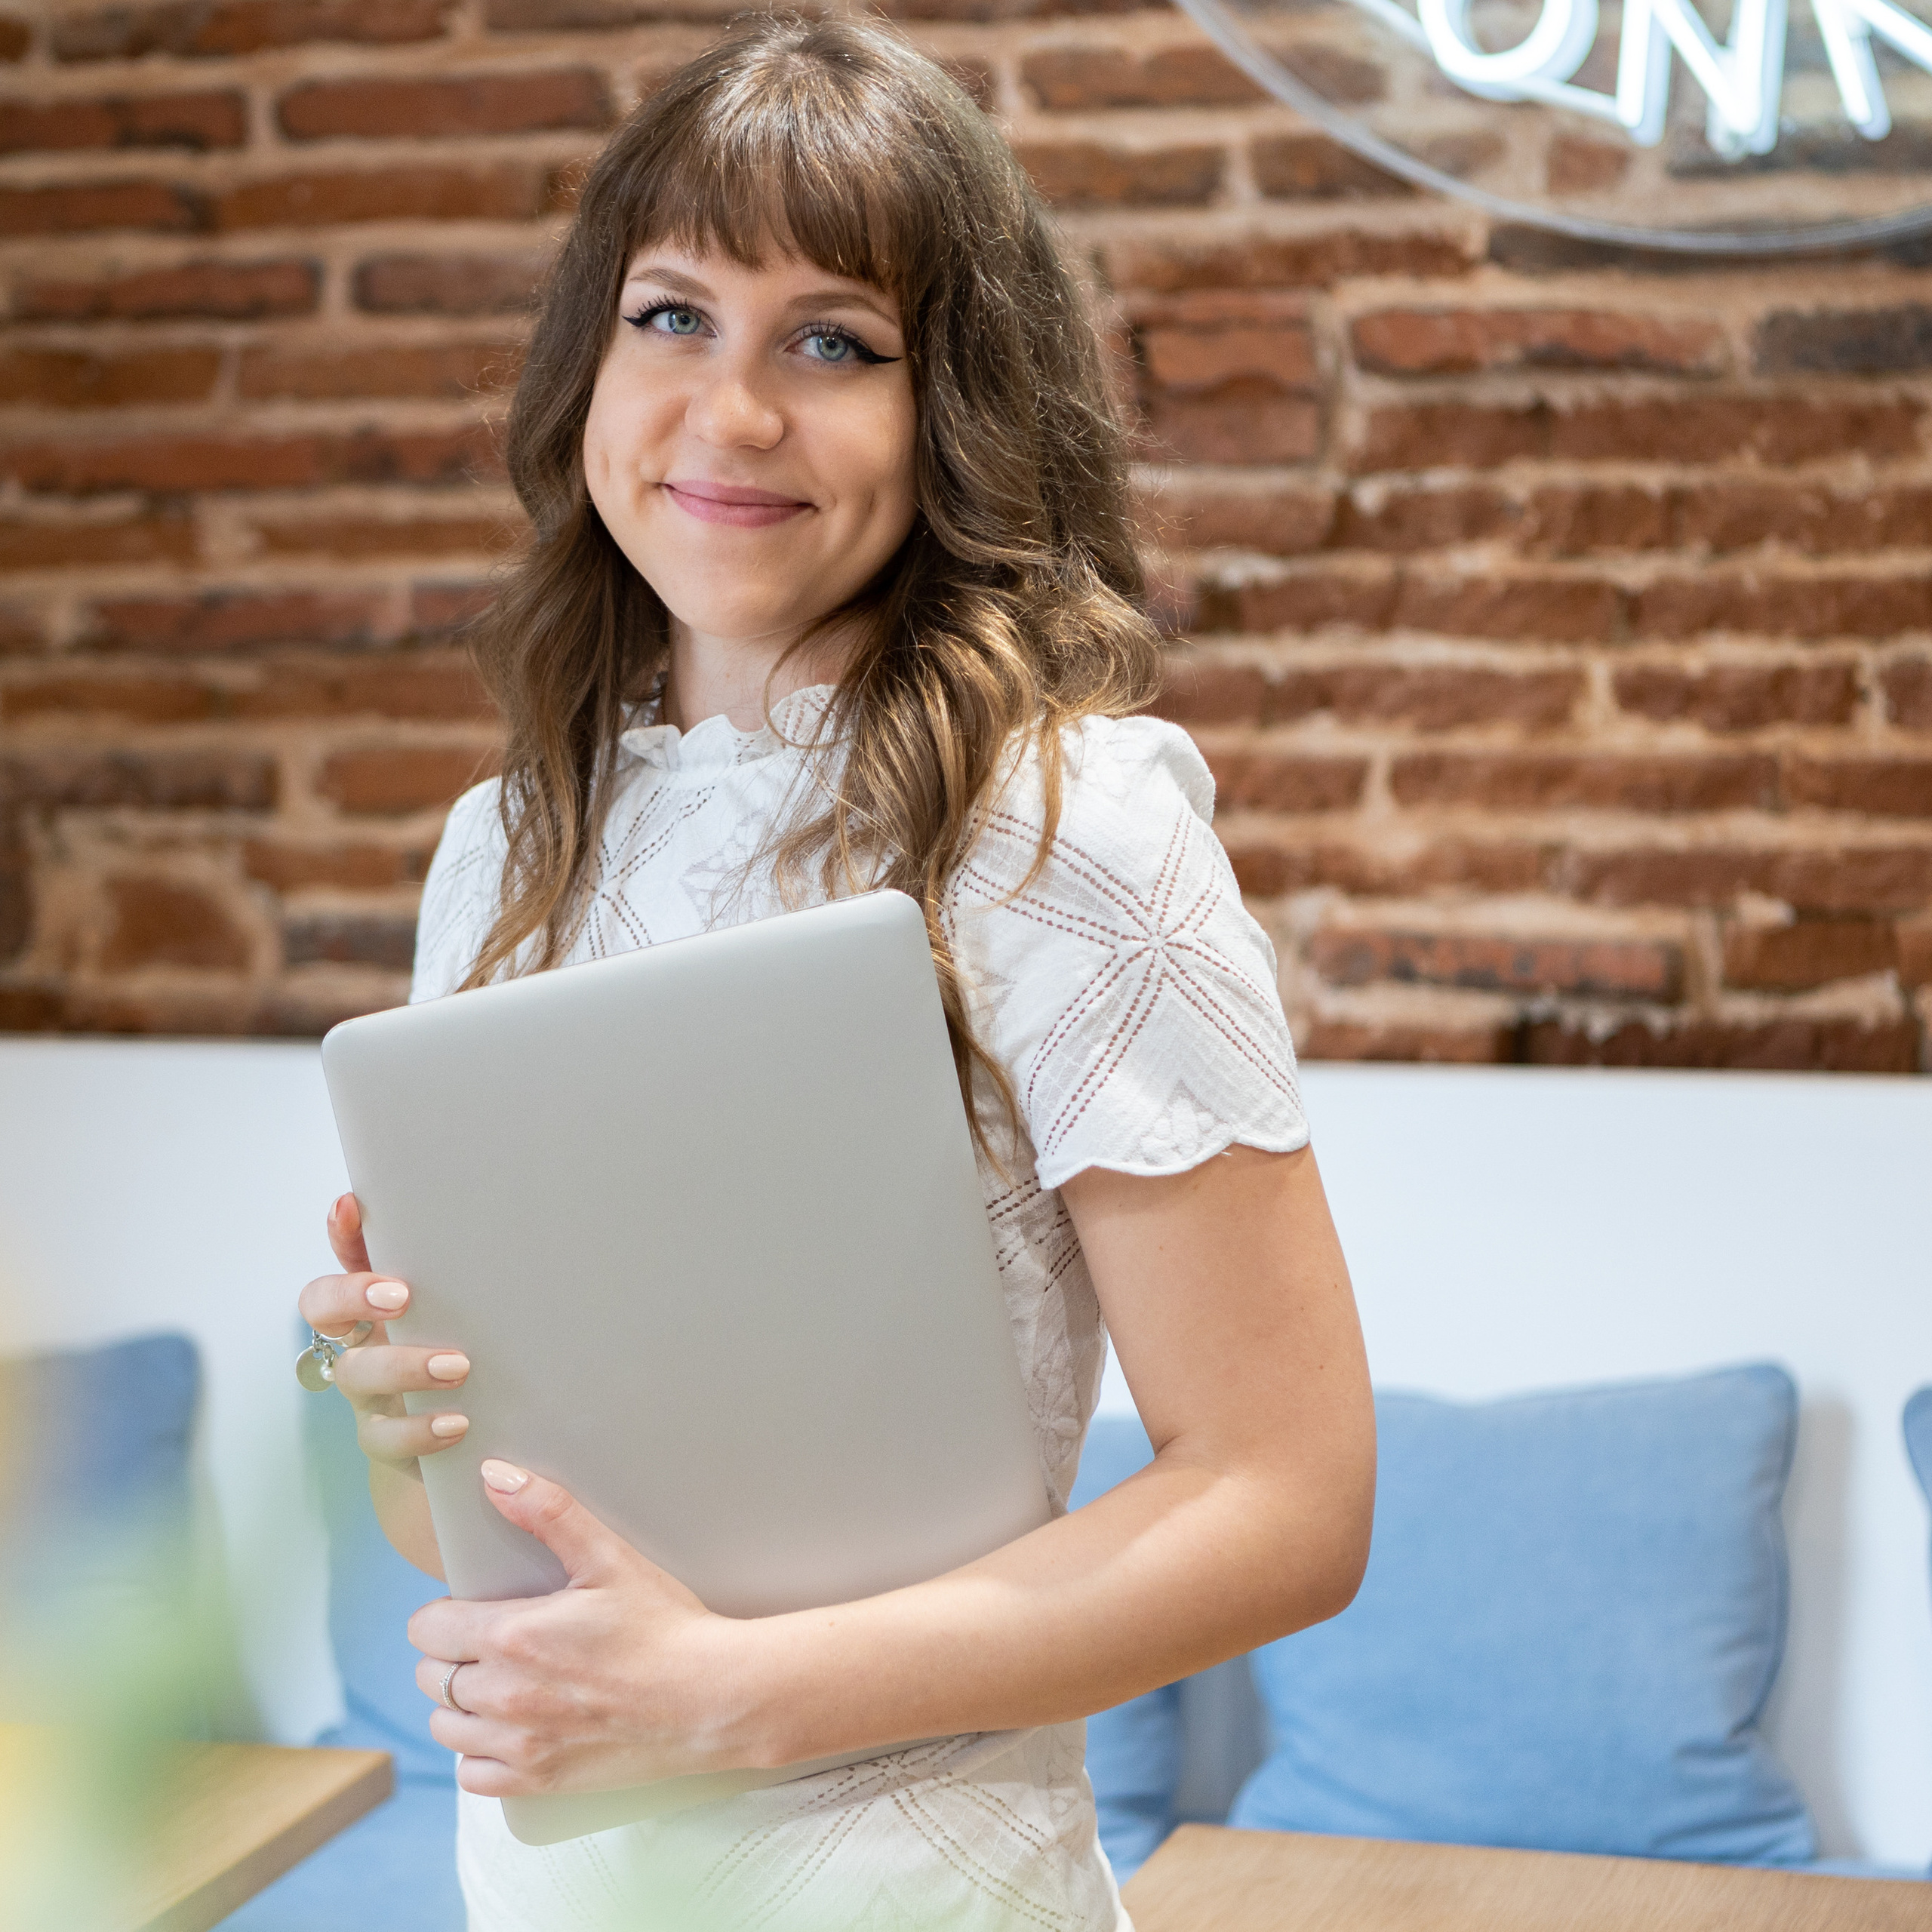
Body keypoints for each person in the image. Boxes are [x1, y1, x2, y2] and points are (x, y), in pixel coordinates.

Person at [297, 16, 1375, 1930]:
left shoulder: (1069, 827)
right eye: (670, 317)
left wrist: (733, 1698)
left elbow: (1286, 1497)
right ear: (586, 364)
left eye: (831, 341)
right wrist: (398, 1419)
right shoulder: (504, 846)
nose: (726, 414)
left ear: (955, 404)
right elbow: (474, 1522)